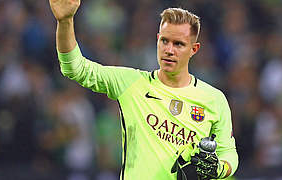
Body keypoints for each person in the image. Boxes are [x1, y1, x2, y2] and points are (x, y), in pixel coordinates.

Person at [49, 0, 238, 179]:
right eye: (165, 41)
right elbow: (75, 68)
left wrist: (218, 169)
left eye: (178, 44)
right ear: (157, 40)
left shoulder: (214, 99)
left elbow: (229, 153)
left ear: (194, 49)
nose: (169, 50)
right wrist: (65, 21)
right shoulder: (132, 83)